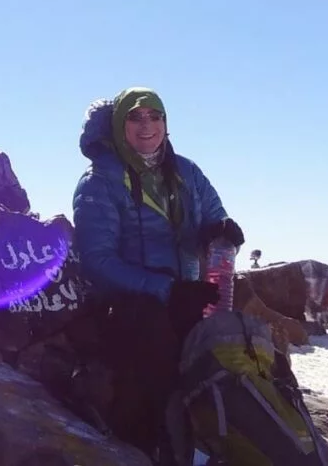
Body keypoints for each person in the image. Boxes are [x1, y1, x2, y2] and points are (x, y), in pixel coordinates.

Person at [71, 86, 243, 456]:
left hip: (188, 294)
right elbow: (97, 262)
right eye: (135, 116)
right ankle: (142, 443)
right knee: (157, 349)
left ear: (166, 122)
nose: (146, 124)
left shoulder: (187, 173)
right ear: (119, 126)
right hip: (127, 304)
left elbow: (214, 215)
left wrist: (221, 230)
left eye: (155, 115)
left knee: (233, 350)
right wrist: (168, 291)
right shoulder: (99, 182)